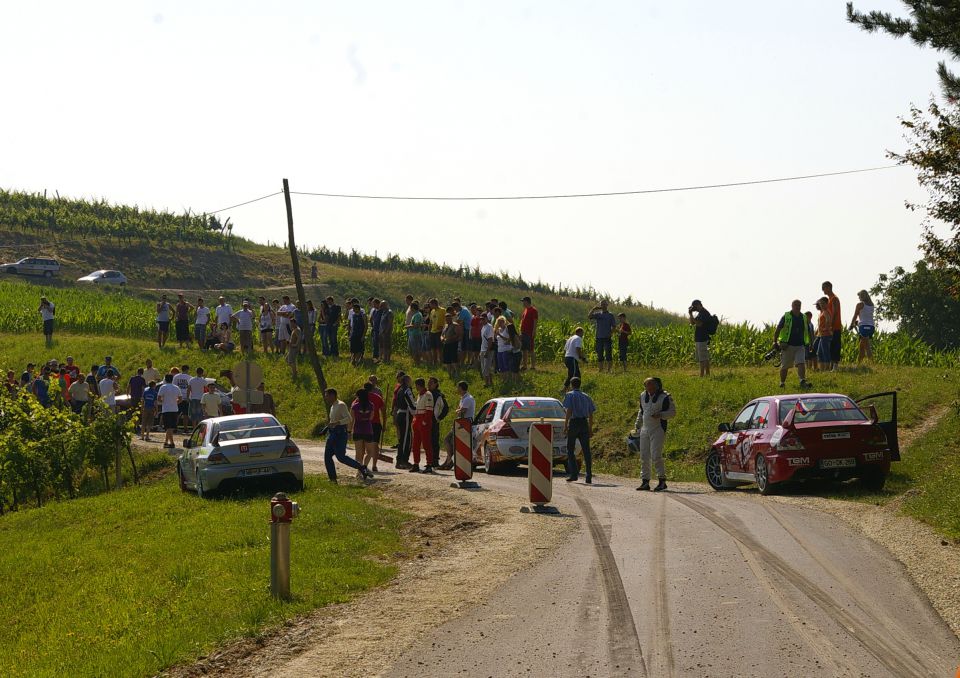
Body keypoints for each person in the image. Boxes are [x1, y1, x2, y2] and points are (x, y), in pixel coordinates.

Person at [634, 377, 676, 492]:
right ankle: (645, 481)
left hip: (658, 429)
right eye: (647, 385)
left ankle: (662, 480)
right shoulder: (643, 395)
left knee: (656, 455)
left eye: (651, 385)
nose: (649, 387)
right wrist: (637, 425)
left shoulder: (665, 397)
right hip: (645, 429)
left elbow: (672, 413)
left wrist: (661, 415)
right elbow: (641, 411)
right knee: (644, 455)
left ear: (657, 386)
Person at [322, 388, 373, 483]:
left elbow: (348, 419)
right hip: (332, 433)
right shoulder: (333, 406)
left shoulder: (341, 405)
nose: (326, 398)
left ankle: (362, 467)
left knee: (341, 457)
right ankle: (333, 479)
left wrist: (337, 423)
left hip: (340, 433)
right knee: (327, 456)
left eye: (327, 396)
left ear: (332, 395)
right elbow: (333, 420)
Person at [773, 300, 813, 389]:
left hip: (800, 345)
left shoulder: (804, 317)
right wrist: (775, 342)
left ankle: (802, 381)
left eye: (799, 305)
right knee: (785, 366)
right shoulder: (786, 316)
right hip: (787, 345)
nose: (797, 307)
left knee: (801, 363)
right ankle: (782, 383)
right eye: (796, 305)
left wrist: (811, 343)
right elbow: (778, 329)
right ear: (792, 306)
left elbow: (809, 331)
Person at [562, 377, 595, 484]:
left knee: (570, 449)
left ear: (571, 384)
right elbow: (591, 414)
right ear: (580, 384)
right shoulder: (586, 396)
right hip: (584, 423)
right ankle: (588, 476)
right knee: (586, 450)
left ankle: (574, 474)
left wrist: (566, 424)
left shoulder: (570, 395)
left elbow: (569, 410)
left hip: (574, 423)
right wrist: (590, 428)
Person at [440, 380, 475, 469]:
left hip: (464, 424)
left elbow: (461, 411)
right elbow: (459, 410)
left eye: (458, 388)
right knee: (449, 441)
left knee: (448, 440)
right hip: (460, 423)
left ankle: (449, 461)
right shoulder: (463, 398)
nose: (457, 389)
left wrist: (458, 411)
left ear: (461, 388)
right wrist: (458, 410)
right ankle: (448, 461)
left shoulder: (468, 399)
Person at [410, 378, 436, 474]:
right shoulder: (419, 395)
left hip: (424, 421)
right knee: (415, 444)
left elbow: (429, 410)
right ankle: (416, 463)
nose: (415, 387)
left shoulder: (428, 394)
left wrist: (425, 421)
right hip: (417, 420)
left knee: (426, 444)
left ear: (418, 385)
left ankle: (429, 464)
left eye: (416, 385)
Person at [350, 388, 376, 474]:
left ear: (358, 396)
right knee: (369, 452)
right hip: (368, 430)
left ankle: (359, 470)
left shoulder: (354, 406)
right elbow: (371, 418)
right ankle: (365, 466)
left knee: (358, 453)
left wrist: (349, 431)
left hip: (357, 430)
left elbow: (351, 420)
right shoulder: (371, 405)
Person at [393, 373, 415, 469]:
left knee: (402, 439)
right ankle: (403, 461)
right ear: (407, 381)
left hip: (400, 414)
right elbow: (412, 404)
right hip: (405, 415)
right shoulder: (407, 390)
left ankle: (400, 460)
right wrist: (416, 412)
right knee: (406, 440)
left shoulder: (400, 389)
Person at [588, 300, 616, 372]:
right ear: (600, 305)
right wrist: (594, 309)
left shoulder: (610, 315)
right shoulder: (598, 314)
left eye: (604, 304)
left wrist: (611, 333)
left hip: (607, 337)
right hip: (599, 337)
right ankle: (600, 369)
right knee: (599, 353)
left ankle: (609, 370)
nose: (603, 306)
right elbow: (589, 316)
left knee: (608, 354)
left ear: (607, 305)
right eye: (602, 304)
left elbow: (614, 326)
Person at [850, 289, 876, 365]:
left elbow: (855, 315)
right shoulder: (872, 304)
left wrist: (851, 325)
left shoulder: (860, 304)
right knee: (861, 346)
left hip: (864, 327)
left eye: (859, 296)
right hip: (871, 327)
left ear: (862, 296)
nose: (859, 298)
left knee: (867, 346)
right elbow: (866, 316)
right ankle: (859, 364)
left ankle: (872, 363)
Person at [688, 299, 712, 377]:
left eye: (694, 306)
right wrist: (690, 314)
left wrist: (694, 319)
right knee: (703, 357)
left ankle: (702, 374)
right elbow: (692, 323)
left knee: (703, 357)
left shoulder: (705, 313)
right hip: (698, 337)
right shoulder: (700, 313)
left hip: (703, 337)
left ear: (698, 305)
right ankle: (706, 374)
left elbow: (699, 324)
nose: (694, 308)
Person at [157, 374, 181, 448]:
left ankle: (172, 443)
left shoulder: (163, 387)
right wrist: (175, 402)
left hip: (166, 409)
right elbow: (180, 399)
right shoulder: (176, 387)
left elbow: (158, 398)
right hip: (174, 409)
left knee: (168, 427)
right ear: (172, 379)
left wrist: (163, 401)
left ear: (165, 379)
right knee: (171, 427)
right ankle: (166, 442)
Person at [822, 281, 842, 370]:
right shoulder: (829, 299)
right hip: (831, 327)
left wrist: (831, 325)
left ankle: (835, 366)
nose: (823, 290)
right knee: (831, 347)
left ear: (829, 287)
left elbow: (834, 313)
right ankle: (832, 366)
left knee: (835, 346)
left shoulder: (834, 298)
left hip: (835, 327)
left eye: (824, 288)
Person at [519, 296, 539, 371]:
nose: (522, 303)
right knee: (524, 349)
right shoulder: (525, 310)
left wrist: (534, 331)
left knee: (531, 350)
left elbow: (535, 321)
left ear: (527, 301)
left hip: (529, 333)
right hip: (523, 333)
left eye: (523, 301)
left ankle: (533, 366)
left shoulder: (533, 310)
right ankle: (525, 366)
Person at [815, 296, 834, 372]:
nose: (821, 305)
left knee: (825, 352)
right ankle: (822, 369)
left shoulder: (826, 311)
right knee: (820, 353)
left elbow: (828, 319)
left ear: (827, 303)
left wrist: (826, 328)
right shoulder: (823, 311)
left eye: (823, 303)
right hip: (822, 335)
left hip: (826, 335)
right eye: (820, 303)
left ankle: (826, 369)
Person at [440, 312, 462, 378]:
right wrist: (442, 338)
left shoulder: (455, 325)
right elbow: (442, 334)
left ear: (451, 318)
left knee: (454, 359)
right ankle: (450, 374)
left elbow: (457, 335)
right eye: (446, 319)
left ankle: (457, 373)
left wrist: (450, 338)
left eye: (449, 318)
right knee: (447, 360)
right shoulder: (445, 325)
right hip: (446, 344)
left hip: (453, 344)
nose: (447, 320)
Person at [405, 301, 424, 366]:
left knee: (416, 349)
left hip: (415, 334)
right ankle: (415, 362)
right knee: (412, 348)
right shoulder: (416, 314)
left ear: (413, 308)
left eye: (410, 307)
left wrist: (408, 326)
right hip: (412, 334)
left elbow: (417, 325)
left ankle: (417, 362)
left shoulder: (418, 315)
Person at [349, 300, 366, 366]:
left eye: (353, 309)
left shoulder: (363, 315)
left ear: (357, 308)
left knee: (359, 349)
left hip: (360, 334)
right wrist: (350, 334)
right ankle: (353, 359)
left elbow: (365, 326)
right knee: (353, 348)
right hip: (354, 333)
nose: (353, 310)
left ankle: (357, 361)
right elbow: (353, 325)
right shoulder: (353, 315)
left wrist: (363, 335)